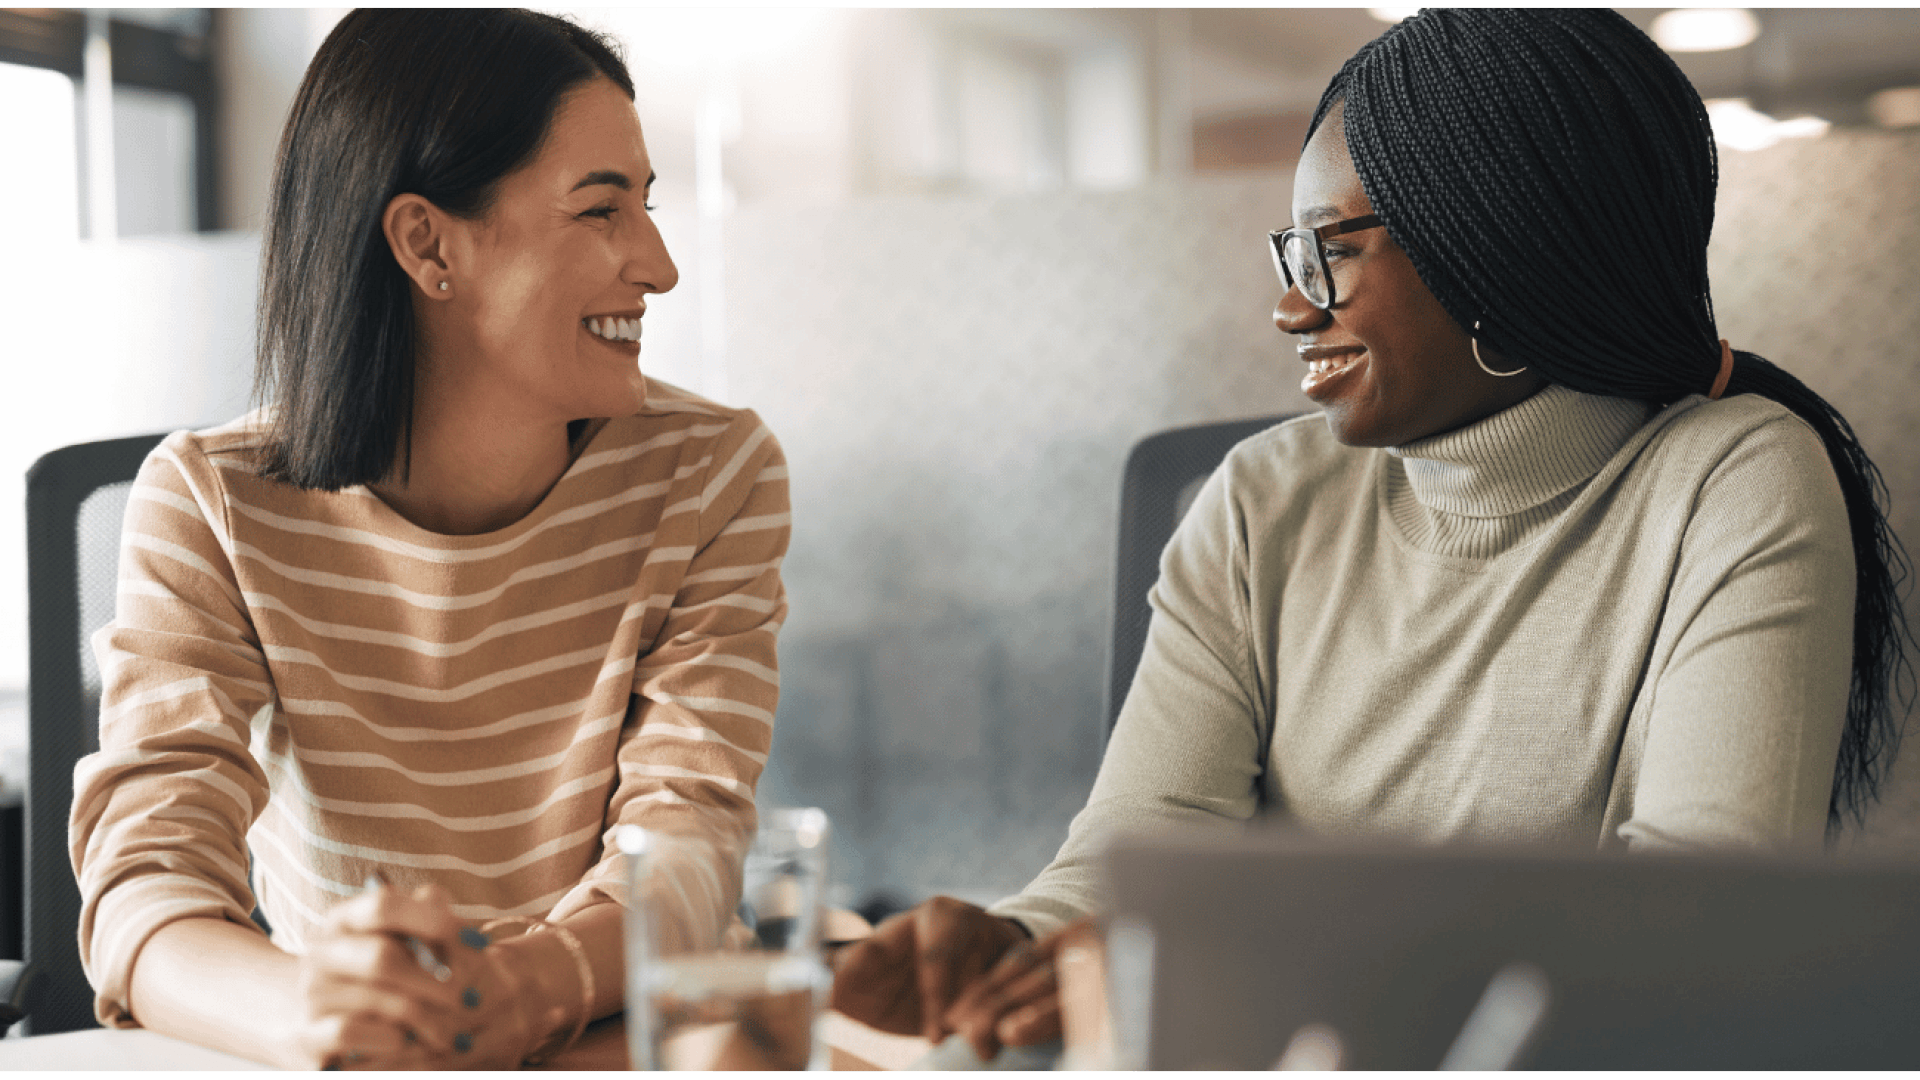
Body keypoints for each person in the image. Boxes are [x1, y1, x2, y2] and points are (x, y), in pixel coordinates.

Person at [832, 7, 1912, 1061]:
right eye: (1290, 255)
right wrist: (1016, 943)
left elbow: (1695, 934)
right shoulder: (1258, 499)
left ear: (1494, 244)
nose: (1291, 311)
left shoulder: (1735, 482)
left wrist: (1227, 957)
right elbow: (1131, 858)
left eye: (1331, 251)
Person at [68, 9, 790, 1070]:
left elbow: (689, 838)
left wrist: (521, 990)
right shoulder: (210, 503)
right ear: (427, 243)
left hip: (632, 1041)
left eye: (646, 204)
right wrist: (317, 1011)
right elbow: (146, 885)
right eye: (602, 210)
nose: (659, 264)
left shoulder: (710, 473)